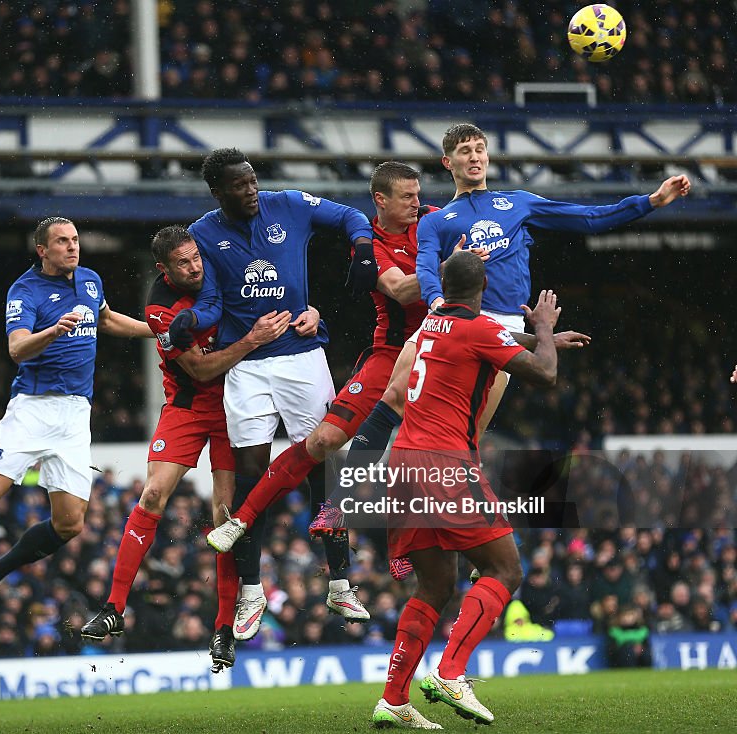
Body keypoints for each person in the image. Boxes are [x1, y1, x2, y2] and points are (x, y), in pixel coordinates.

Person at [354, 122, 691, 463]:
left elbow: (589, 218)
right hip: (450, 315)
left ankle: (445, 507)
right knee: (394, 396)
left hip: (502, 323)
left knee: (466, 434)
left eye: (479, 150)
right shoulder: (436, 220)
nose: (474, 157)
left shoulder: (519, 203)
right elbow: (425, 266)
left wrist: (651, 201)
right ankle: (339, 505)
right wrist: (437, 300)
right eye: (464, 151)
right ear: (448, 162)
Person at [167, 147, 375, 639]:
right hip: (247, 367)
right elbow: (213, 301)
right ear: (219, 192)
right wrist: (191, 320)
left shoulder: (290, 204)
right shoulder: (202, 234)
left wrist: (362, 251)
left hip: (302, 357)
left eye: (253, 180)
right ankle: (250, 590)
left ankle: (340, 581)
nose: (252, 190)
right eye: (240, 186)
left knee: (323, 465)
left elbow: (349, 216)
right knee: (250, 474)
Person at [0, 217, 151, 621]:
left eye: (75, 240)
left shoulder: (89, 279)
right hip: (33, 406)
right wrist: (53, 331)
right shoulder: (25, 290)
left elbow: (105, 319)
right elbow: (17, 349)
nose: (72, 247)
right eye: (62, 242)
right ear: (42, 250)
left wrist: (155, 332)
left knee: (70, 525)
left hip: (75, 414)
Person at [80, 225, 302, 672]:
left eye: (196, 257)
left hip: (234, 407)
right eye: (183, 263)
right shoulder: (160, 306)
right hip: (187, 404)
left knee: (224, 520)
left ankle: (222, 631)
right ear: (165, 269)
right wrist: (250, 341)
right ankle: (114, 608)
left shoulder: (220, 271)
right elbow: (200, 371)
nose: (195, 266)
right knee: (153, 495)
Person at [204, 162, 441, 560]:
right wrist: (453, 267)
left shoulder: (437, 222)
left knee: (442, 452)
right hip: (393, 352)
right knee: (326, 440)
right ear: (381, 200)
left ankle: (412, 549)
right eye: (408, 197)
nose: (418, 203)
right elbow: (400, 290)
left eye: (419, 194)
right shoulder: (373, 242)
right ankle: (245, 519)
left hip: (450, 346)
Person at [372, 252, 561, 728]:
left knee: (434, 585)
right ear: (485, 287)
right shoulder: (480, 330)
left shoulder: (434, 323)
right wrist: (542, 328)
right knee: (505, 568)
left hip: (403, 464)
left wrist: (541, 339)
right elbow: (545, 374)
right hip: (444, 464)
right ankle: (451, 672)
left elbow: (486, 340)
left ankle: (394, 699)